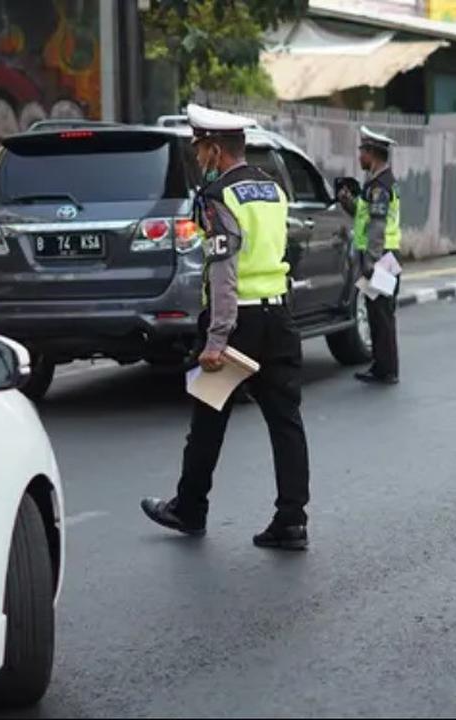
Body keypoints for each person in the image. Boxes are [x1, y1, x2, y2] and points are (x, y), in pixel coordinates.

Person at [141, 104, 312, 550]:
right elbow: (284, 249)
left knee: (208, 420)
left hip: (237, 323)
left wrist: (217, 339)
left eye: (199, 147)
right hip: (277, 316)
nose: (198, 155)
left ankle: (190, 508)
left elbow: (223, 269)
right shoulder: (272, 188)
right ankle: (292, 520)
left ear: (215, 149)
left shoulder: (219, 196)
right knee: (285, 421)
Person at [337, 127, 402, 385]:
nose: (359, 156)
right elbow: (366, 218)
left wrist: (371, 264)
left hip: (382, 259)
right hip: (382, 257)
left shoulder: (380, 187)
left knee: (382, 315)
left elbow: (377, 227)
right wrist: (348, 203)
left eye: (362, 151)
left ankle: (387, 370)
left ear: (372, 154)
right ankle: (381, 366)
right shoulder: (375, 184)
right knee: (376, 313)